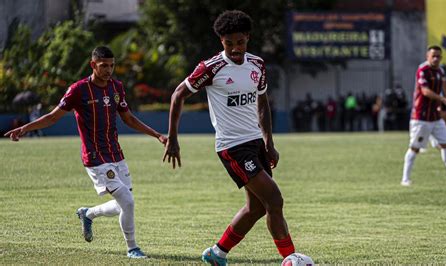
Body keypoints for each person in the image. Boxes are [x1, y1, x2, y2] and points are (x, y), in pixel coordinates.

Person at [4, 46, 167, 258]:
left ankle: (88, 214)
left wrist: (158, 135)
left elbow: (128, 118)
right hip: (95, 158)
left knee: (121, 207)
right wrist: (25, 127)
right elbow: (53, 117)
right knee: (127, 201)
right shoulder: (78, 90)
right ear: (93, 65)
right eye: (103, 66)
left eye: (111, 65)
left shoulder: (116, 87)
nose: (109, 70)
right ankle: (132, 248)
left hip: (116, 154)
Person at [162, 10, 296, 265]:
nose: (235, 48)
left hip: (255, 142)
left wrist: (269, 142)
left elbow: (262, 102)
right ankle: (290, 259)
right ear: (221, 41)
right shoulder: (211, 68)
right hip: (232, 147)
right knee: (274, 200)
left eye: (240, 42)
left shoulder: (257, 64)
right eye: (229, 43)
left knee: (257, 208)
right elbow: (178, 94)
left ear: (248, 37)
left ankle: (217, 253)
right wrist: (173, 137)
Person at [401, 45, 446, 186]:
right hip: (421, 117)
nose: (436, 58)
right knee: (415, 148)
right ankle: (405, 179)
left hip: (435, 116)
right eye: (433, 56)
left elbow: (444, 87)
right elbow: (425, 91)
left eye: (438, 56)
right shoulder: (423, 70)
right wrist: (444, 100)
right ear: (427, 57)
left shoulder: (440, 71)